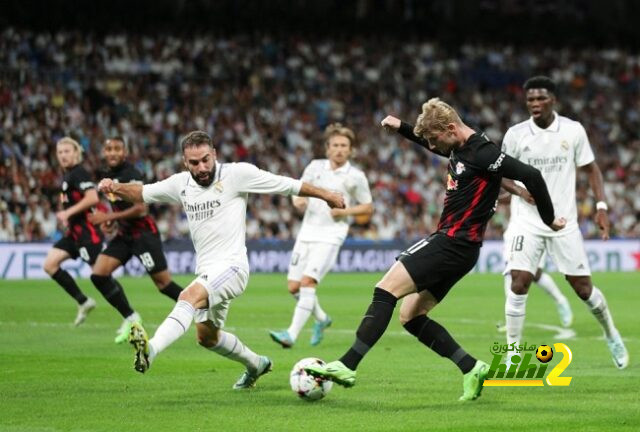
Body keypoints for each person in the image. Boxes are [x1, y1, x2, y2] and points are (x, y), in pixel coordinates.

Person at [305, 98, 565, 401]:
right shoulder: (460, 146)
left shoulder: (483, 151)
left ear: (451, 129)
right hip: (463, 249)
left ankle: (347, 365)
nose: (434, 146)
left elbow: (532, 175)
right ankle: (472, 368)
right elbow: (434, 145)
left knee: (384, 290)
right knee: (411, 316)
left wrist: (549, 220)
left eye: (436, 138)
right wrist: (401, 127)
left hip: (451, 242)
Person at [98, 130, 345, 389]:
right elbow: (142, 193)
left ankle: (151, 351)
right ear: (185, 162)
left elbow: (286, 184)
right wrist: (114, 187)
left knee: (187, 297)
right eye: (194, 163)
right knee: (207, 337)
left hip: (233, 267)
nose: (202, 167)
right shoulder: (181, 183)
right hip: (207, 271)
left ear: (214, 154)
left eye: (206, 159)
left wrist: (326, 194)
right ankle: (256, 364)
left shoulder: (237, 175)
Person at [500, 76, 628, 369]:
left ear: (553, 100)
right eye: (530, 99)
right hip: (526, 221)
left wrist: (601, 206)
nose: (534, 104)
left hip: (564, 222)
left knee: (583, 289)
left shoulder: (572, 131)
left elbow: (591, 169)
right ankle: (512, 353)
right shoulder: (516, 134)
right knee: (518, 282)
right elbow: (500, 172)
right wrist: (520, 192)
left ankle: (611, 334)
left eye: (540, 98)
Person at [269, 123, 373, 348]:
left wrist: (345, 211)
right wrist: (298, 200)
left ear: (351, 150)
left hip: (331, 235)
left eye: (344, 145)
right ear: (327, 148)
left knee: (307, 283)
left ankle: (291, 334)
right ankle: (322, 319)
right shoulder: (314, 166)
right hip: (307, 232)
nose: (339, 149)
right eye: (335, 145)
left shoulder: (356, 176)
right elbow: (299, 191)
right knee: (294, 287)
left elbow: (367, 207)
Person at [88, 137, 184, 344]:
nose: (112, 152)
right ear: (103, 153)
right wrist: (112, 223)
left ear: (124, 152)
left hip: (143, 235)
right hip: (125, 235)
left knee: (164, 284)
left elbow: (141, 208)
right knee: (99, 275)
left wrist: (108, 218)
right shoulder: (108, 175)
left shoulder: (131, 174)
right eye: (108, 149)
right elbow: (120, 207)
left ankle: (202, 308)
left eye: (117, 149)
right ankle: (131, 318)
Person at [42, 137, 103, 326]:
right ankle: (84, 302)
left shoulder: (79, 173)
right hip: (73, 234)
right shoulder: (68, 176)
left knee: (101, 277)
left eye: (67, 151)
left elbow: (93, 197)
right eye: (60, 152)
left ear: (76, 153)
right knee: (50, 264)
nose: (63, 155)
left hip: (87, 234)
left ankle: (129, 316)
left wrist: (67, 212)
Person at [498, 188, 573, 330]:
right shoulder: (519, 173)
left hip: (539, 227)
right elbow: (510, 197)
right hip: (516, 229)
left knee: (535, 274)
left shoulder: (545, 178)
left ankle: (560, 301)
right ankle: (511, 318)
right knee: (511, 270)